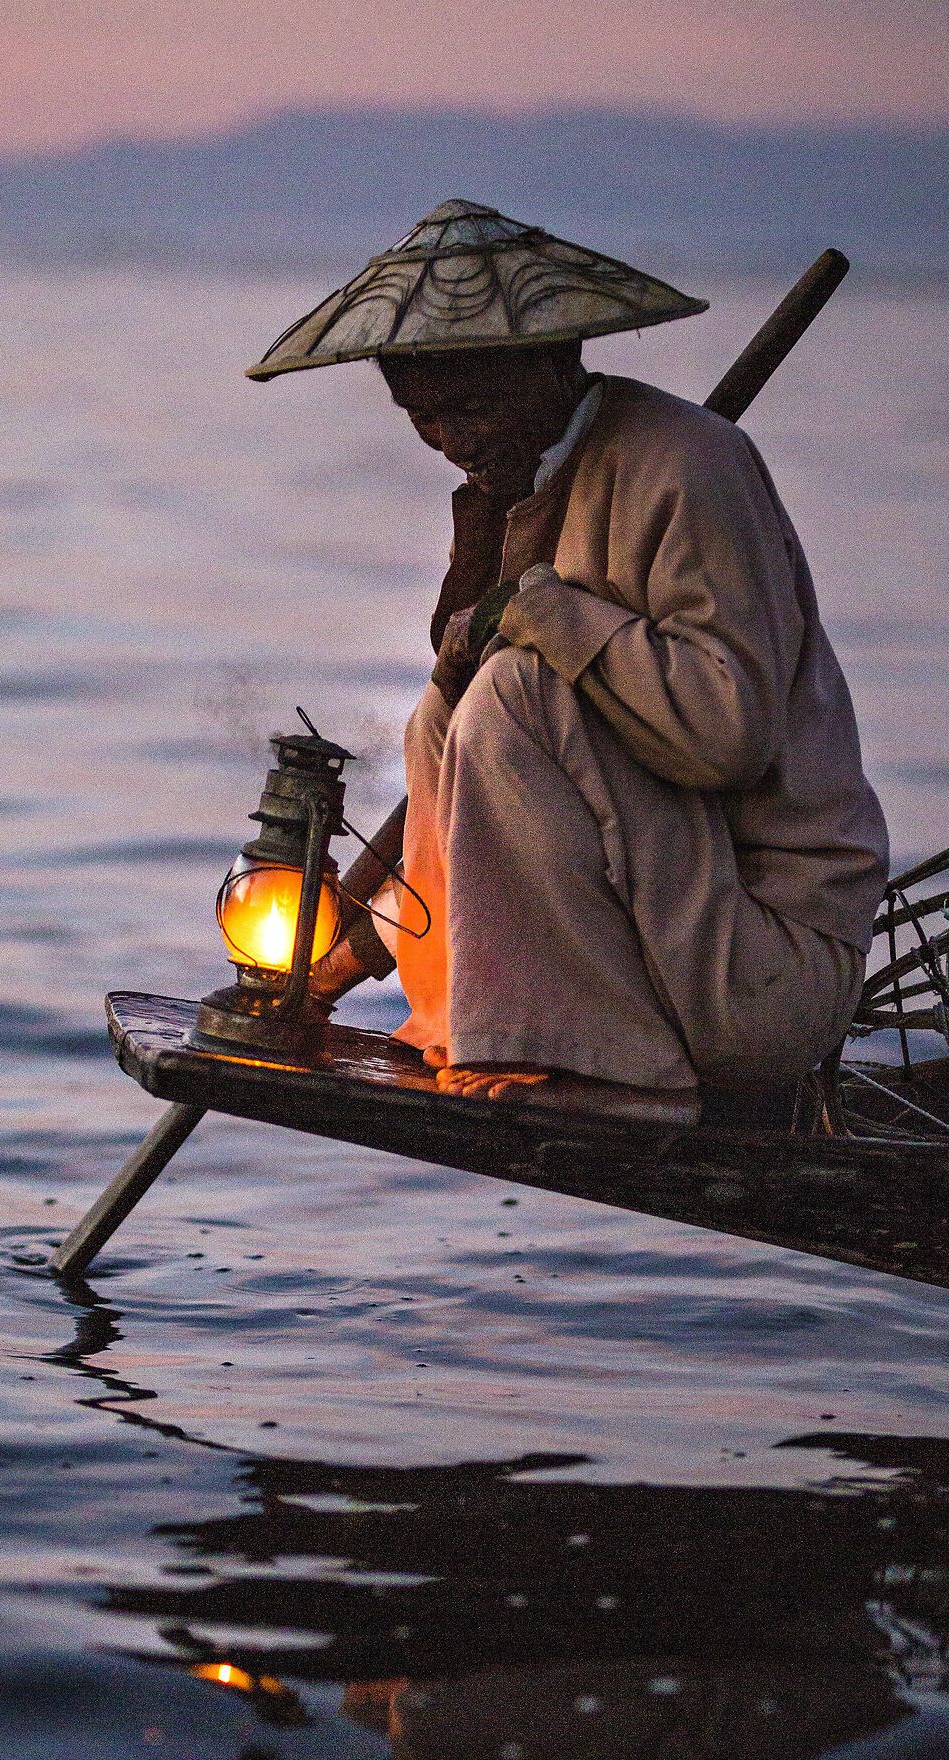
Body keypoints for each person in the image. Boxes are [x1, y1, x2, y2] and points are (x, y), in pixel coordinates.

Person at [248, 201, 890, 1124]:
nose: (452, 441)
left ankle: (576, 1055)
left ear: (554, 361)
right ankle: (497, 1026)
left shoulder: (692, 466)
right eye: (422, 417)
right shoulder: (513, 491)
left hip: (757, 972)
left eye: (469, 407)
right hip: (649, 956)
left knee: (513, 691)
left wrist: (551, 614)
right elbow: (461, 813)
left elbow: (727, 740)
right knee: (446, 713)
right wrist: (324, 977)